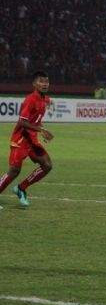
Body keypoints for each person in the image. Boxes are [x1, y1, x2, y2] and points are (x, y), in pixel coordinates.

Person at [0, 71, 54, 207]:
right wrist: (40, 130)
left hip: (32, 139)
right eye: (41, 81)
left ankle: (21, 188)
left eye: (47, 81)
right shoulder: (30, 99)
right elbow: (22, 122)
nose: (45, 84)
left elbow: (35, 120)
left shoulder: (45, 99)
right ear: (34, 84)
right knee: (14, 171)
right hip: (20, 139)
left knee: (47, 165)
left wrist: (41, 131)